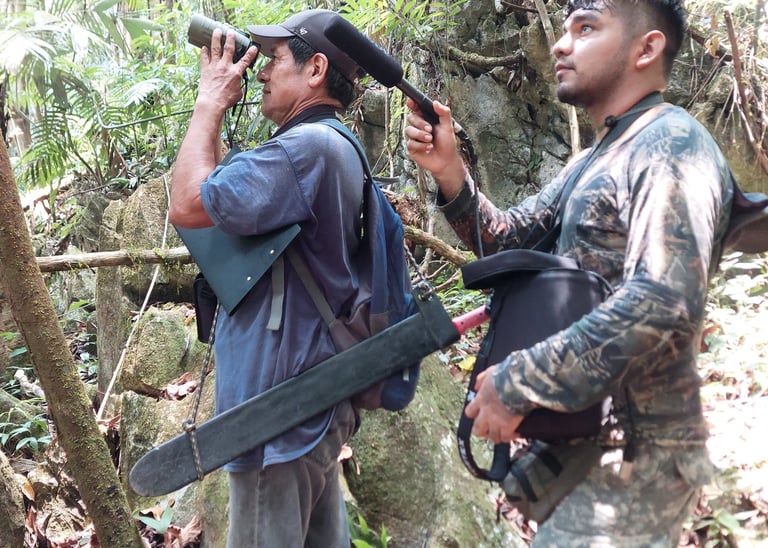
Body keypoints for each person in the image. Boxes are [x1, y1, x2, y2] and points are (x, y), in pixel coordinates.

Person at [406, 0, 732, 545]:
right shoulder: (596, 157)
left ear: (646, 48)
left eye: (586, 27)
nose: (560, 44)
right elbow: (508, 238)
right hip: (583, 440)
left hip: (640, 452)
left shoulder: (672, 144)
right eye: (565, 29)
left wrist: (519, 380)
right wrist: (450, 170)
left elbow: (664, 300)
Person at [169, 9, 366, 547]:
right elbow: (216, 204)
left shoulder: (305, 151)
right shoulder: (330, 144)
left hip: (276, 413)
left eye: (274, 58)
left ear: (316, 69)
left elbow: (186, 204)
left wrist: (209, 101)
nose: (260, 71)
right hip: (307, 401)